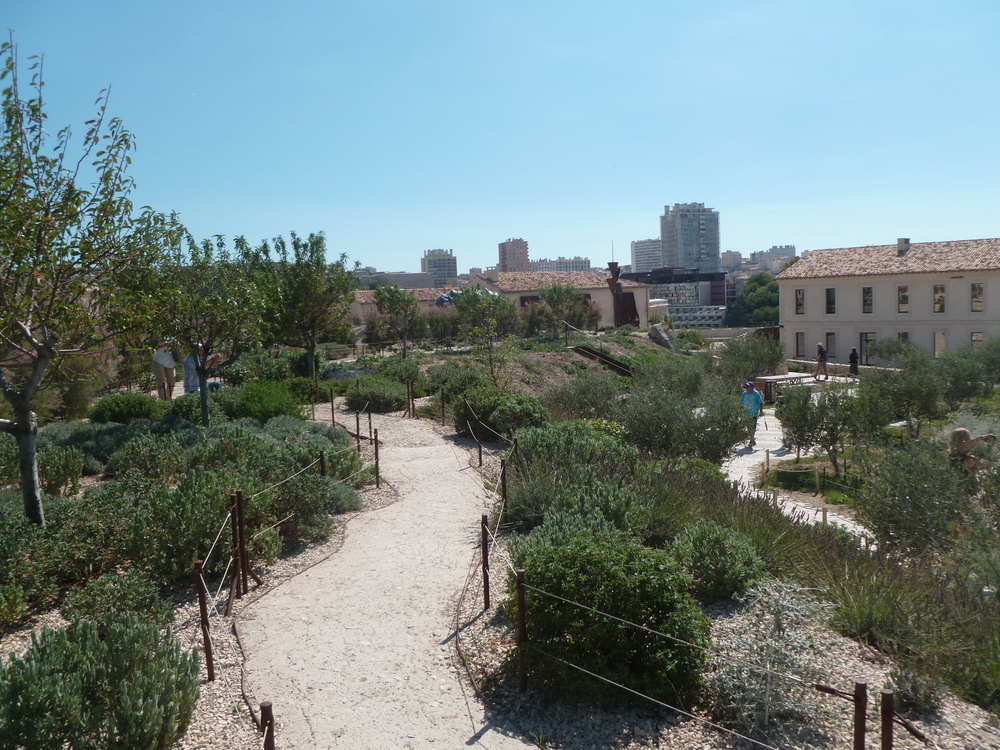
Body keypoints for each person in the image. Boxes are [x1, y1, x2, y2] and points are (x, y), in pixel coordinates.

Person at [740, 381, 764, 448]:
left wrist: (761, 411)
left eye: (748, 386)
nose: (747, 388)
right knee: (748, 427)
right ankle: (752, 439)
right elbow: (741, 402)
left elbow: (761, 402)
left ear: (752, 387)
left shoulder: (756, 394)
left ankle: (751, 440)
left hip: (753, 413)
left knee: (753, 427)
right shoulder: (744, 393)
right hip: (746, 413)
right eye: (746, 386)